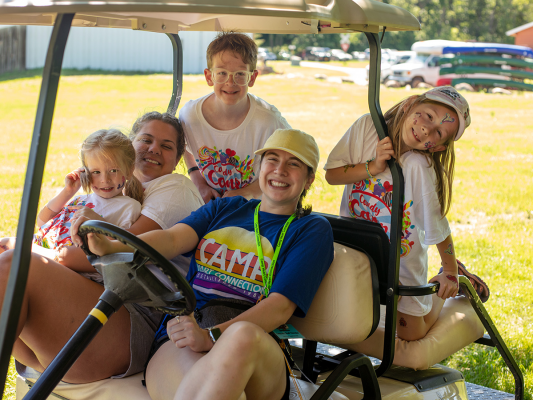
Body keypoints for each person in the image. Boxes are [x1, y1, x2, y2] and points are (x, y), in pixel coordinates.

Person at [86, 128, 335, 400]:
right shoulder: (225, 208)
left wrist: (212, 337)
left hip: (256, 344)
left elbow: (279, 307)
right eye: (272, 159)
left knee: (241, 336)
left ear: (310, 179)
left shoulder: (311, 230)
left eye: (294, 164)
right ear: (259, 166)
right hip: (186, 329)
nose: (280, 170)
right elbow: (170, 239)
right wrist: (112, 247)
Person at [0, 111, 203, 383]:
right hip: (93, 297)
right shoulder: (107, 190)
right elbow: (49, 224)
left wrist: (34, 252)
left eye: (166, 146)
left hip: (131, 310)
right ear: (130, 146)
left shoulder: (174, 187)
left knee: (13, 265)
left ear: (178, 159)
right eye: (146, 140)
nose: (154, 149)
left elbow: (120, 251)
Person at [324, 86, 489, 341]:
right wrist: (374, 166)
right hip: (359, 252)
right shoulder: (367, 127)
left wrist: (449, 271)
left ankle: (445, 285)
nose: (427, 129)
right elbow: (332, 175)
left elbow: (437, 224)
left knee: (412, 334)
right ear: (410, 103)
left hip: (402, 261)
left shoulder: (418, 166)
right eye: (428, 115)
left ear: (437, 148)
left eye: (438, 133)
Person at [0, 129, 143, 264]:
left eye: (113, 170)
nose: (105, 179)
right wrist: (68, 192)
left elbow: (122, 247)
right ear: (85, 172)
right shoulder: (80, 200)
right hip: (43, 246)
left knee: (8, 246)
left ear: (130, 170)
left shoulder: (129, 206)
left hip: (68, 262)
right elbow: (42, 221)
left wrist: (98, 222)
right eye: (96, 172)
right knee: (3, 245)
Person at [181, 31, 291, 204]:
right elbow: (184, 146)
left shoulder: (269, 121)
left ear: (252, 78)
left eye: (240, 74)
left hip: (255, 208)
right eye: (222, 73)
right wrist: (198, 180)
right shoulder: (190, 115)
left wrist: (247, 192)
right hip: (207, 205)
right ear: (209, 76)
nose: (230, 83)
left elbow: (290, 163)